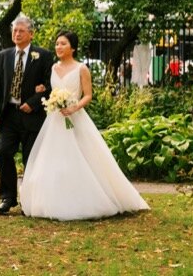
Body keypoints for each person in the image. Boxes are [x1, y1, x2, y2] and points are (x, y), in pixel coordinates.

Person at [20, 30, 150, 221]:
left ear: (72, 47)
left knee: (82, 156)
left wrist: (74, 107)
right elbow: (50, 89)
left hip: (75, 116)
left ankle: (89, 197)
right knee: (53, 159)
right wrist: (43, 91)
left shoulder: (81, 68)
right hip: (55, 118)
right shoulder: (53, 68)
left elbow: (88, 95)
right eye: (57, 44)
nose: (58, 47)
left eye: (63, 44)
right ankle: (53, 198)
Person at [0, 15, 54, 215]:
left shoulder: (43, 56)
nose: (17, 34)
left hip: (32, 116)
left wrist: (33, 103)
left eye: (21, 31)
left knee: (30, 158)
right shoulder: (3, 55)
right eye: (15, 30)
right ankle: (7, 197)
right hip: (8, 115)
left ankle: (29, 200)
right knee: (3, 152)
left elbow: (50, 86)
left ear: (31, 34)